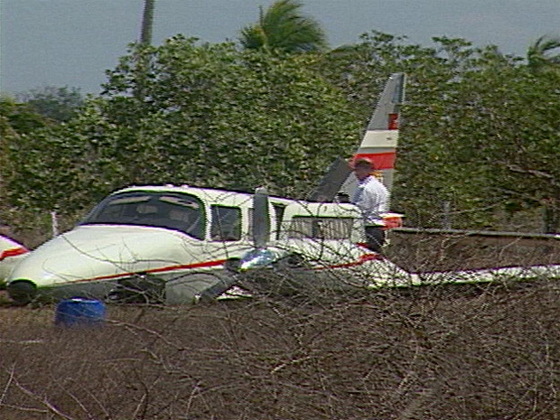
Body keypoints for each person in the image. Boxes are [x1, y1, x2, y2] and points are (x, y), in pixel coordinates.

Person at [351, 157, 389, 253]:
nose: (356, 173)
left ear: (367, 170)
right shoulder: (382, 188)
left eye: (358, 170)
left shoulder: (366, 188)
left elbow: (360, 210)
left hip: (368, 229)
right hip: (379, 228)